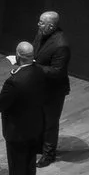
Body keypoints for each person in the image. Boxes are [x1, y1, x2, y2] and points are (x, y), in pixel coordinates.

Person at [0, 40, 46, 175]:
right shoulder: (39, 71)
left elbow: (1, 103)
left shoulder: (14, 81)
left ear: (17, 56)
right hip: (35, 124)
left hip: (17, 128)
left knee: (16, 161)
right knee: (29, 158)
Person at [32, 9, 71, 166]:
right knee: (38, 118)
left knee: (50, 122)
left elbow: (57, 72)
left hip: (54, 90)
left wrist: (34, 66)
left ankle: (49, 154)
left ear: (51, 26)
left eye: (42, 22)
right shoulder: (42, 33)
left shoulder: (61, 45)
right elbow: (36, 51)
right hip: (39, 86)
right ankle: (38, 145)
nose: (38, 24)